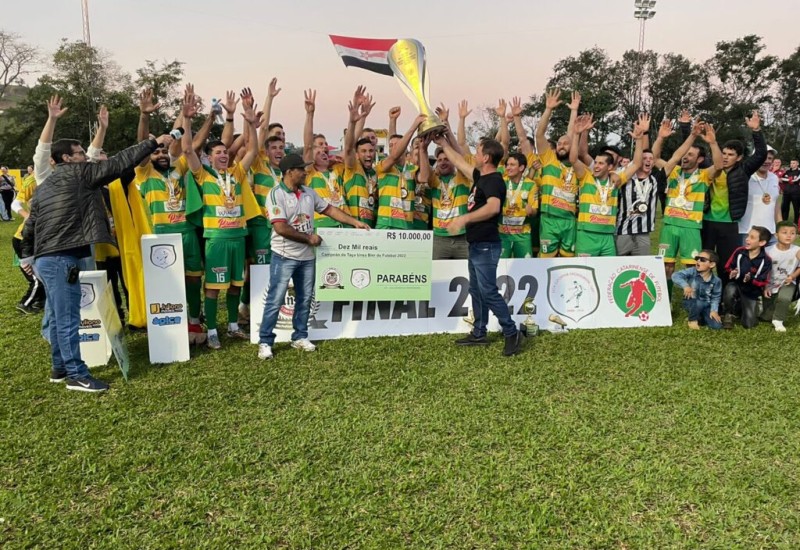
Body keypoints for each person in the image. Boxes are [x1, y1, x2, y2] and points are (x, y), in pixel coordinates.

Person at [19, 95, 172, 392]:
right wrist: (153, 142)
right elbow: (118, 161)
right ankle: (77, 374)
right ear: (66, 159)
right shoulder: (71, 174)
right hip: (62, 256)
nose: (86, 157)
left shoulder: (54, 182)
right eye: (79, 154)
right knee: (66, 317)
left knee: (57, 311)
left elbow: (32, 223)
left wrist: (28, 256)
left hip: (53, 256)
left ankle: (60, 368)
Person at [257, 154, 370, 360]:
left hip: (307, 256)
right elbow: (281, 228)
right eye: (301, 169)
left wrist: (355, 223)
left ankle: (299, 336)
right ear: (290, 172)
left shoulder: (308, 192)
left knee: (305, 298)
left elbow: (330, 210)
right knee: (275, 299)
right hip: (284, 255)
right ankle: (265, 341)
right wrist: (308, 238)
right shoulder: (275, 195)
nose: (305, 171)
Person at [182, 87, 260, 350]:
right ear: (210, 157)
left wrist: (250, 123)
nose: (223, 155)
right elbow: (188, 150)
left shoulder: (236, 173)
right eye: (217, 153)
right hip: (215, 239)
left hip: (238, 238)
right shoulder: (202, 175)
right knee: (213, 287)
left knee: (236, 286)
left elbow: (252, 152)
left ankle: (234, 326)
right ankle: (213, 330)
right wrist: (187, 120)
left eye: (225, 152)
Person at [436, 135, 522, 356]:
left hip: (486, 245)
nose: (473, 155)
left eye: (477, 151)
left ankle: (511, 331)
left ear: (485, 157)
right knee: (476, 290)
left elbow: (493, 208)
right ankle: (479, 332)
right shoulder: (479, 176)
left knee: (488, 291)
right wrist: (444, 143)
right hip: (476, 244)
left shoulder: (494, 180)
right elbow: (459, 162)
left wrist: (464, 219)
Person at [656, 119, 722, 300]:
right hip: (669, 225)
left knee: (692, 267)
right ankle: (665, 301)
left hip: (691, 227)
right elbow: (655, 158)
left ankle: (692, 302)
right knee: (666, 265)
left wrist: (713, 143)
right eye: (684, 154)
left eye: (690, 154)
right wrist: (661, 138)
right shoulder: (673, 171)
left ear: (700, 159)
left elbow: (719, 165)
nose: (685, 157)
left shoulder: (703, 175)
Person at [703, 111, 767, 290]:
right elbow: (692, 155)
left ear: (738, 158)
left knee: (726, 264)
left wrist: (756, 131)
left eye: (730, 154)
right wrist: (686, 129)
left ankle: (726, 300)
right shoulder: (711, 168)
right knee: (703, 260)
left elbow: (761, 154)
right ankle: (705, 295)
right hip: (707, 221)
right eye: (724, 153)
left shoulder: (743, 170)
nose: (725, 157)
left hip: (729, 223)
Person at [571, 114, 645, 257]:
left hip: (607, 236)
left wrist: (640, 140)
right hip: (586, 235)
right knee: (585, 274)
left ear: (610, 167)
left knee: (606, 275)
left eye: (600, 163)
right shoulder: (586, 177)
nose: (596, 166)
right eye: (596, 162)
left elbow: (636, 164)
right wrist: (576, 134)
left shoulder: (616, 180)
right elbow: (574, 159)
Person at [722, 225, 772, 329]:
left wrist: (751, 279)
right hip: (736, 284)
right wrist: (733, 271)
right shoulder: (739, 251)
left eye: (752, 237)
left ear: (762, 243)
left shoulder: (766, 260)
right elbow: (728, 266)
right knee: (730, 290)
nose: (747, 239)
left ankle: (741, 307)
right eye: (748, 236)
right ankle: (728, 314)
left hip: (751, 291)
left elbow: (763, 281)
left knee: (749, 324)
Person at [762, 221, 800, 331]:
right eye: (785, 232)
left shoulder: (797, 250)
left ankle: (778, 321)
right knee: (766, 316)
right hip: (770, 284)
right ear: (776, 235)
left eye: (792, 233)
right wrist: (765, 286)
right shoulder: (768, 251)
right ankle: (765, 310)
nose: (789, 236)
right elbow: (763, 270)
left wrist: (792, 276)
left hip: (788, 283)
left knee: (784, 298)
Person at [738, 148, 781, 245]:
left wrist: (780, 226)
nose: (766, 161)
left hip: (771, 232)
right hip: (747, 231)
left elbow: (776, 204)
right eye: (763, 158)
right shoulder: (745, 177)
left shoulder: (774, 178)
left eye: (770, 158)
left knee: (771, 260)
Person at [671, 249, 723, 330]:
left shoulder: (716, 281)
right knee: (699, 303)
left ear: (712, 264)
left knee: (717, 326)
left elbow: (716, 297)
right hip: (691, 302)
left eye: (702, 260)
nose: (698, 261)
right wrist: (685, 286)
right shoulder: (692, 271)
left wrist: (714, 310)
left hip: (706, 305)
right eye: (697, 258)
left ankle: (700, 318)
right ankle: (692, 320)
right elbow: (675, 275)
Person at [498, 153, 537, 258]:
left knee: (525, 268)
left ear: (521, 167)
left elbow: (534, 210)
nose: (508, 168)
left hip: (523, 235)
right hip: (503, 235)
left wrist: (531, 211)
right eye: (507, 165)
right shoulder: (500, 181)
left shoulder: (531, 185)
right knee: (501, 267)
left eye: (512, 165)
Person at [780, 159, 800, 225]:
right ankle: (784, 222)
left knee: (796, 209)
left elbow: (796, 180)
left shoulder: (799, 172)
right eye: (791, 163)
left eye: (794, 163)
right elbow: (781, 179)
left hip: (796, 193)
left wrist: (788, 180)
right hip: (786, 193)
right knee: (785, 208)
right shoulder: (787, 171)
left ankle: (796, 223)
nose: (792, 164)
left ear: (797, 164)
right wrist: (790, 180)